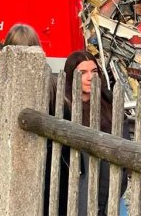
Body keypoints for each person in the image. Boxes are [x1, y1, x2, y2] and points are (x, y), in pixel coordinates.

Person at [48, 50, 129, 216]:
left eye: (94, 72)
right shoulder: (63, 110)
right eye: (82, 73)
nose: (90, 77)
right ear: (71, 77)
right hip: (78, 190)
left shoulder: (109, 105)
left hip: (111, 187)